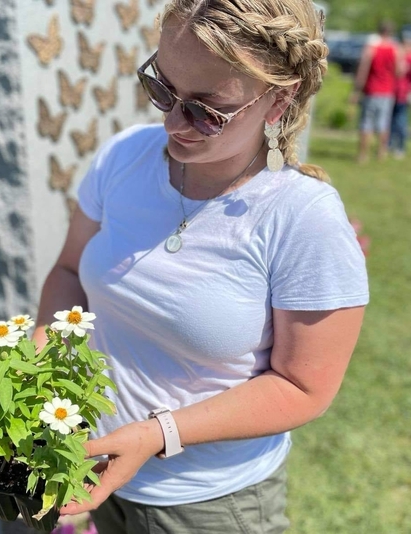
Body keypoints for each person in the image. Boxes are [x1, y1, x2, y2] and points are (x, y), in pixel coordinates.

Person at [34, 1, 369, 532]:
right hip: (94, 470)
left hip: (208, 504)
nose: (171, 120)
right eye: (162, 87)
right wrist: (42, 360)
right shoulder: (124, 157)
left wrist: (155, 434)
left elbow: (304, 387)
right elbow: (70, 273)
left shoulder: (302, 219)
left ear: (278, 99)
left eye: (207, 108)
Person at [353, 20, 403, 162]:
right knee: (383, 122)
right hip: (387, 91)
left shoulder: (371, 48)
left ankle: (363, 155)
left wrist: (357, 89)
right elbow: (399, 71)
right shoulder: (395, 48)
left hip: (371, 89)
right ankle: (381, 153)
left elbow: (363, 69)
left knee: (366, 122)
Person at [389, 31, 411, 159]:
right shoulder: (399, 54)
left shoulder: (407, 57)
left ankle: (400, 146)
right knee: (393, 119)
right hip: (393, 91)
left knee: (400, 120)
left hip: (402, 92)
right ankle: (390, 144)